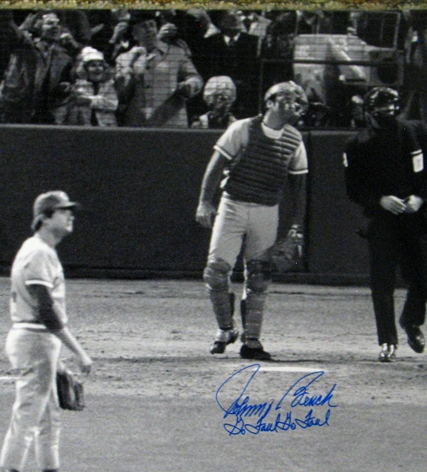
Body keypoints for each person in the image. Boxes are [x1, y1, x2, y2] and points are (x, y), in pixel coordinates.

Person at [0, 191, 94, 472]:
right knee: (25, 422)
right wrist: (78, 352)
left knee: (49, 422)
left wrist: (58, 359)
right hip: (35, 340)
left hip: (40, 343)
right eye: (64, 212)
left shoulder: (40, 251)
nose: (70, 216)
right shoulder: (38, 254)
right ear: (46, 217)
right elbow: (46, 312)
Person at [196, 81, 309, 360]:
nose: (292, 105)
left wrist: (297, 225)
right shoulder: (243, 128)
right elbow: (215, 166)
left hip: (266, 209)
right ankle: (225, 329)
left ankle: (252, 341)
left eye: (297, 101)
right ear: (269, 102)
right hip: (233, 204)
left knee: (259, 276)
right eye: (286, 99)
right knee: (216, 270)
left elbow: (299, 186)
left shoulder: (294, 139)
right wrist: (205, 201)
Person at [343, 87, 427, 362]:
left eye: (389, 111)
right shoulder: (357, 144)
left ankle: (411, 320)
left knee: (423, 280)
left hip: (413, 216)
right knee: (382, 283)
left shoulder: (417, 132)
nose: (383, 117)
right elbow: (354, 189)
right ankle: (387, 340)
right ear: (369, 113)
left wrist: (420, 198)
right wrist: (380, 201)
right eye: (378, 112)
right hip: (382, 220)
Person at [0, 11, 78, 125]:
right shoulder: (26, 46)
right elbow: (8, 26)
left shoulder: (63, 55)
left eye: (57, 23)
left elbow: (73, 77)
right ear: (37, 26)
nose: (55, 26)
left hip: (44, 112)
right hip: (16, 106)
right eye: (50, 23)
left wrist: (65, 87)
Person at [115, 13, 203, 127]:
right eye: (143, 26)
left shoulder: (176, 53)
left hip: (171, 120)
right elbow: (121, 94)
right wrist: (131, 67)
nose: (149, 30)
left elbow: (195, 78)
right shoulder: (124, 58)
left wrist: (191, 85)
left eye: (152, 25)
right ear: (133, 33)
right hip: (137, 123)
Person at [67, 47, 119, 126]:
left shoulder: (109, 85)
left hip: (106, 126)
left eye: (100, 65)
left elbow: (113, 104)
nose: (98, 69)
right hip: (84, 126)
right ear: (85, 69)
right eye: (93, 66)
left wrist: (89, 101)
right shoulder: (78, 86)